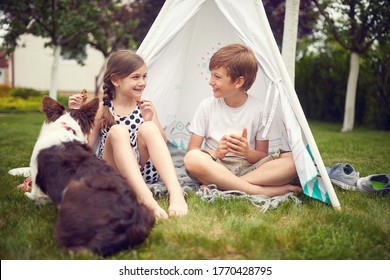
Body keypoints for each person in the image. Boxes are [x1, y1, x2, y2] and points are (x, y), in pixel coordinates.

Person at [69, 50, 188, 219]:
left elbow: (161, 143)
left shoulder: (146, 105)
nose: (142, 82)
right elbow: (85, 146)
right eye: (135, 77)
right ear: (116, 80)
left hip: (143, 170)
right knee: (118, 131)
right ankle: (146, 199)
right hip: (114, 171)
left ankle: (176, 193)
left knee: (149, 129)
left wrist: (149, 119)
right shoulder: (103, 108)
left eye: (144, 76)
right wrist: (75, 113)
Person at [183, 44, 302, 197]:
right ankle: (257, 190)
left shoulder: (260, 110)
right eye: (211, 75)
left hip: (250, 169)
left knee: (293, 161)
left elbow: (261, 156)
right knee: (192, 158)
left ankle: (225, 186)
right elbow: (192, 150)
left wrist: (247, 152)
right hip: (216, 166)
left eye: (217, 77)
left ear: (238, 82)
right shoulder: (206, 106)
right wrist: (217, 152)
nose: (210, 81)